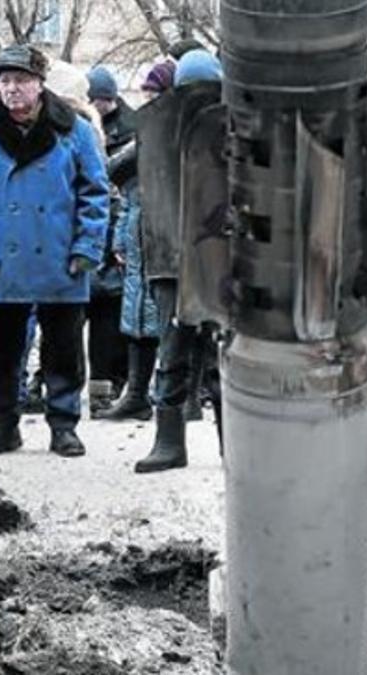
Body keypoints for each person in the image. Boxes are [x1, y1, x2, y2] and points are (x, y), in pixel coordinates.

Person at [0, 44, 109, 458]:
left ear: (39, 84)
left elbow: (95, 191)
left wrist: (88, 244)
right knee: (1, 346)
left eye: (20, 80)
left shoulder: (73, 129)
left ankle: (63, 424)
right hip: (3, 252)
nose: (11, 88)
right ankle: (2, 424)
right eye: (4, 80)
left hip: (60, 252)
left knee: (64, 345)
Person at [134, 49, 224, 474]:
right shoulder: (159, 128)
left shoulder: (230, 127)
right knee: (183, 353)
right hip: (179, 258)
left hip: (197, 259)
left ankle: (221, 445)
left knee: (211, 355)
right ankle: (175, 443)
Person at [95, 61, 174, 422]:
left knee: (170, 322)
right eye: (148, 94)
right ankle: (138, 394)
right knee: (138, 321)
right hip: (140, 236)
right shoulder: (146, 132)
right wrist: (121, 239)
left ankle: (171, 397)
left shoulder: (182, 133)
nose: (149, 101)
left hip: (169, 239)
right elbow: (118, 180)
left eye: (156, 94)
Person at [83, 65, 136, 407]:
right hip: (92, 236)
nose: (100, 105)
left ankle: (111, 385)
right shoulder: (83, 131)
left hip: (112, 235)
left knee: (110, 314)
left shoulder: (129, 131)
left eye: (105, 99)